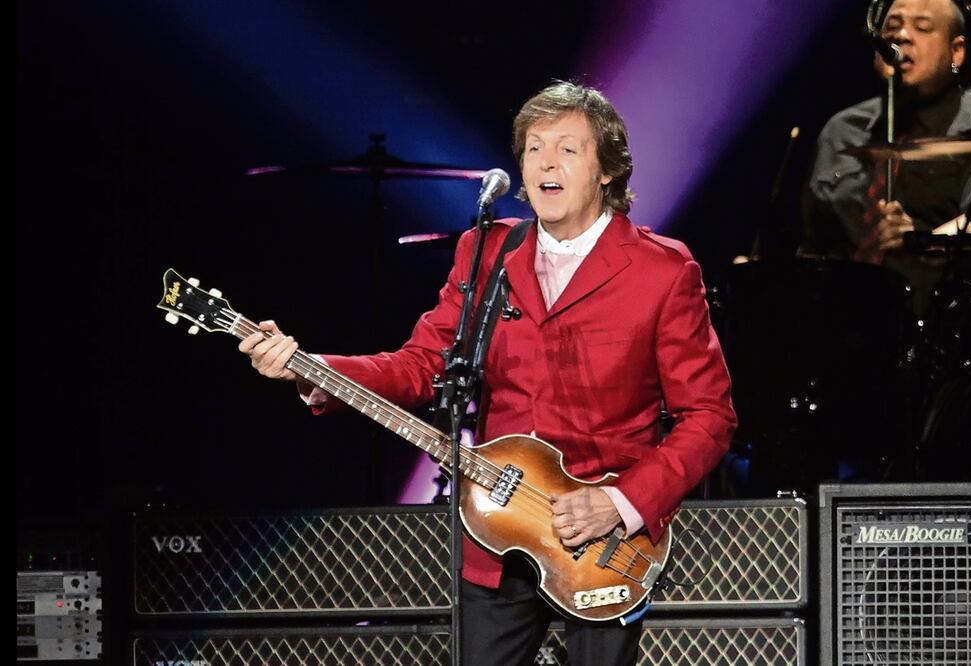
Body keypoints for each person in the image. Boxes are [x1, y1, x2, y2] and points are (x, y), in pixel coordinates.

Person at [239, 81, 736, 665]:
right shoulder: (488, 251)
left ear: (607, 170)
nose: (546, 162)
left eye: (567, 149)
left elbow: (710, 417)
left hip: (605, 543)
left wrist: (621, 502)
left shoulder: (662, 270)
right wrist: (314, 368)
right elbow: (422, 365)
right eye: (534, 148)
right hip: (498, 536)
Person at [800, 0, 971, 316]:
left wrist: (919, 242)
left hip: (954, 322)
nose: (901, 36)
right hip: (847, 322)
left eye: (922, 27)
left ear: (957, 52)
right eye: (891, 27)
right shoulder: (842, 131)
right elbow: (814, 244)